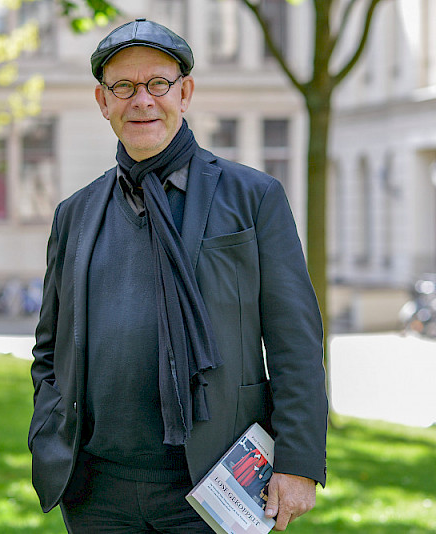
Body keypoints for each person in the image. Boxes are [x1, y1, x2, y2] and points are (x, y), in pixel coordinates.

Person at [28, 18, 328, 533]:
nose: (142, 100)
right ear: (103, 101)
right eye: (124, 87)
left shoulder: (253, 198)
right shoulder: (74, 213)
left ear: (184, 93)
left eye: (157, 84)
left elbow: (294, 342)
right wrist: (47, 432)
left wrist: (298, 462)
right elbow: (50, 349)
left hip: (215, 484)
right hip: (96, 491)